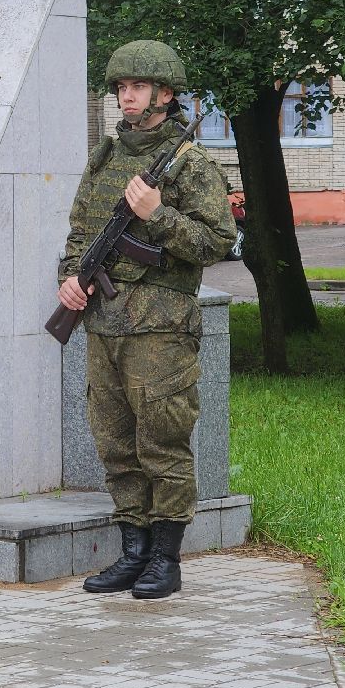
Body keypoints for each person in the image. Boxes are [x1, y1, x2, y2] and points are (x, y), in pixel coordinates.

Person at [57, 40, 235, 599]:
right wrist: (70, 277)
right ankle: (132, 553)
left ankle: (165, 558)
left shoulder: (191, 164)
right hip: (104, 324)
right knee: (115, 444)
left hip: (160, 328)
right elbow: (81, 231)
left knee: (163, 443)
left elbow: (217, 242)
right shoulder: (106, 158)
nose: (126, 96)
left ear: (165, 94)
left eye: (137, 87)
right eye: (121, 87)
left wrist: (156, 216)